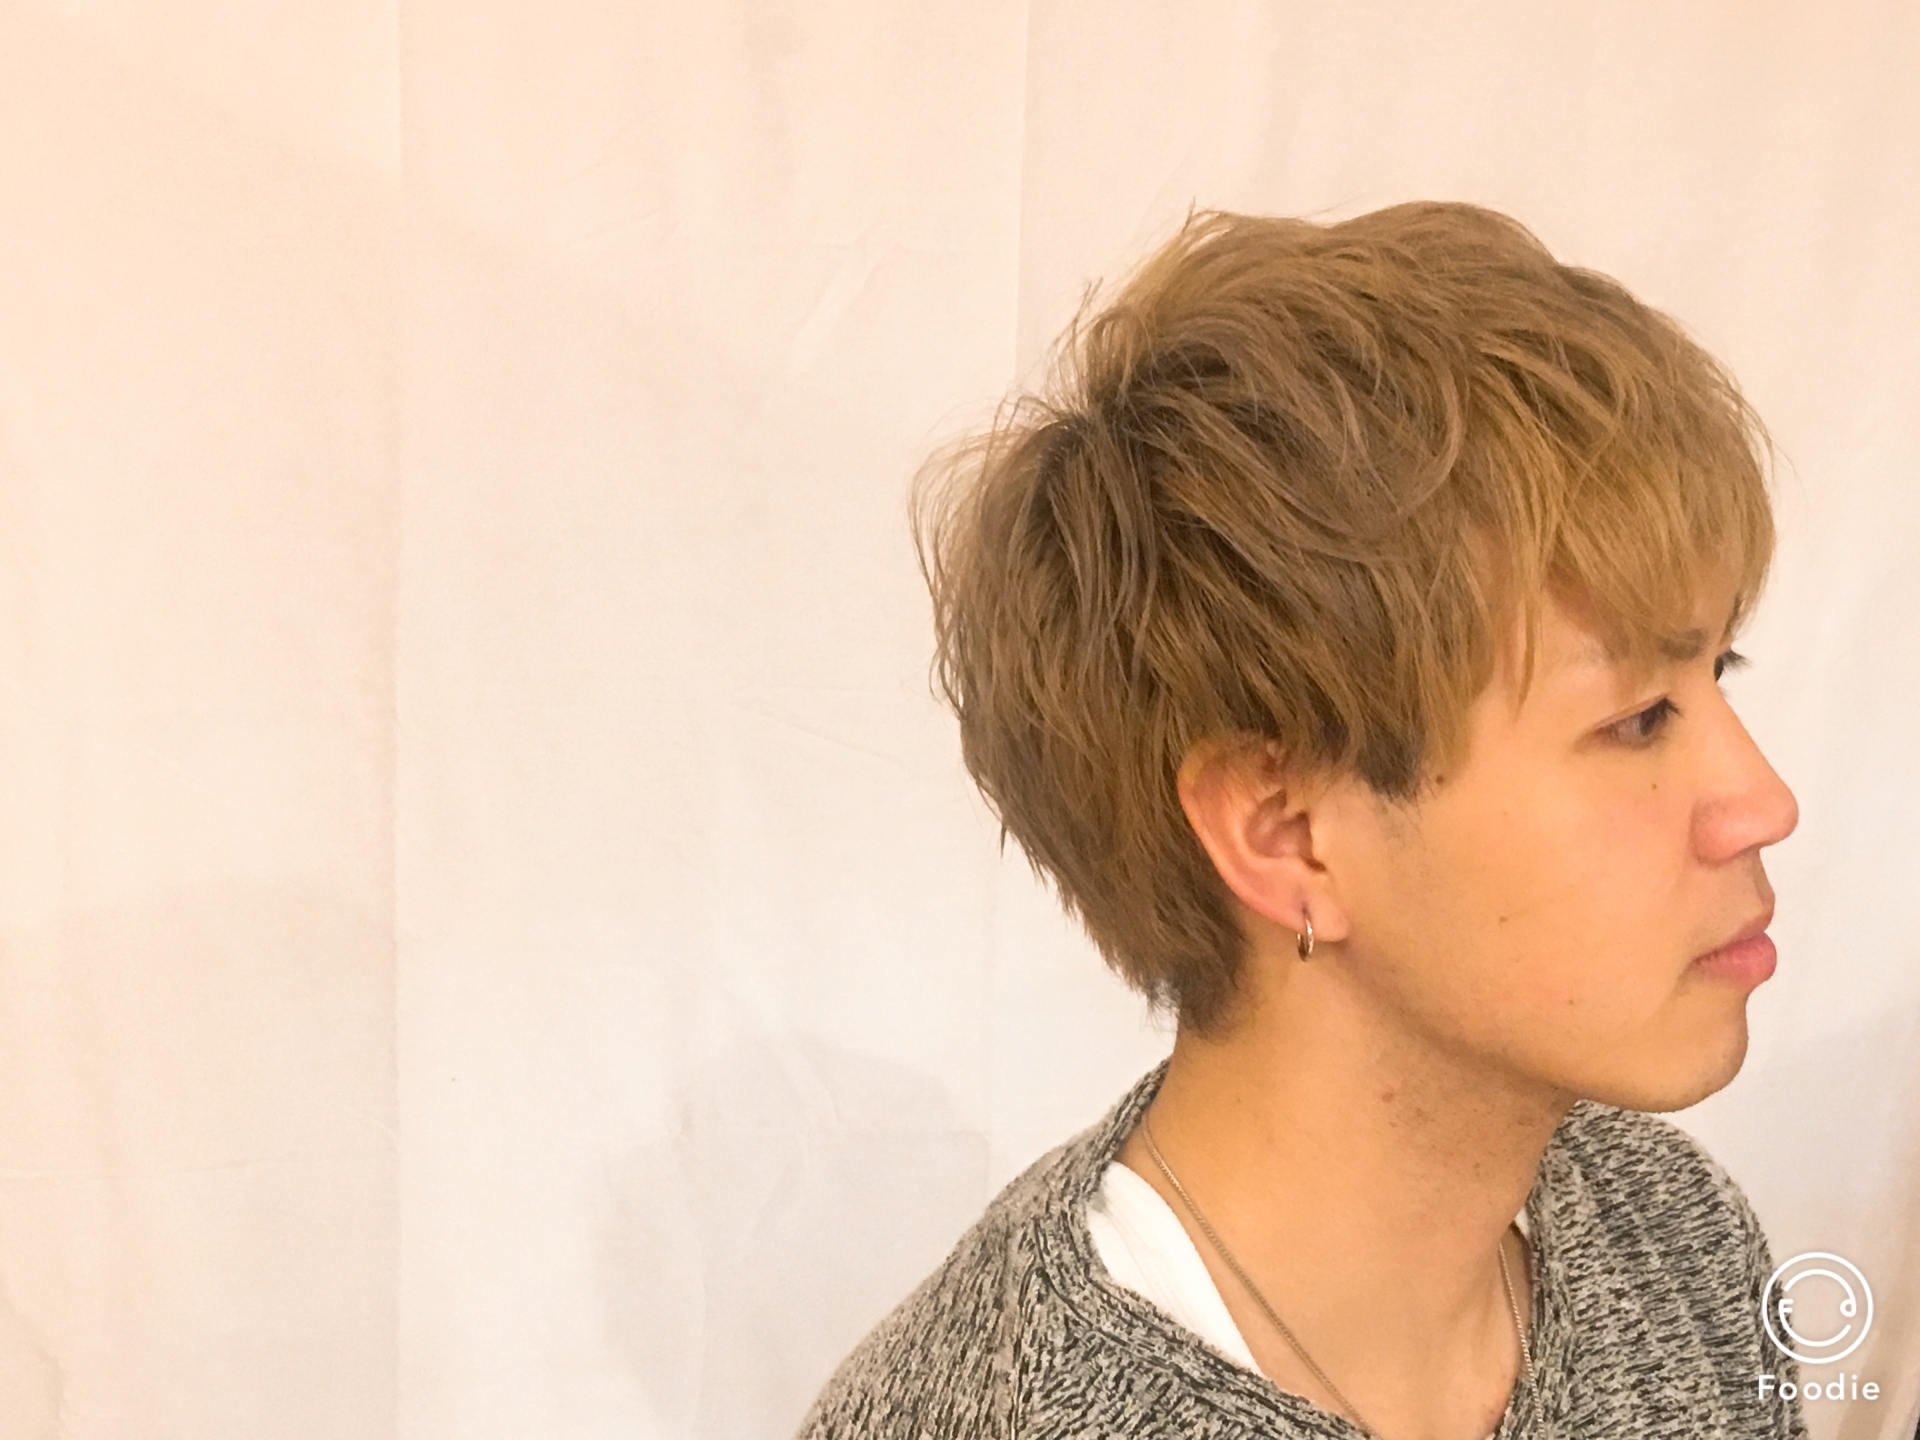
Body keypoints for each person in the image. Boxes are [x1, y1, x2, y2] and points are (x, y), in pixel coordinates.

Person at [799, 202, 1806, 1439]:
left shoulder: (1665, 1233)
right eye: (1640, 719)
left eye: (1720, 673)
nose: (1763, 802)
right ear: (1285, 834)